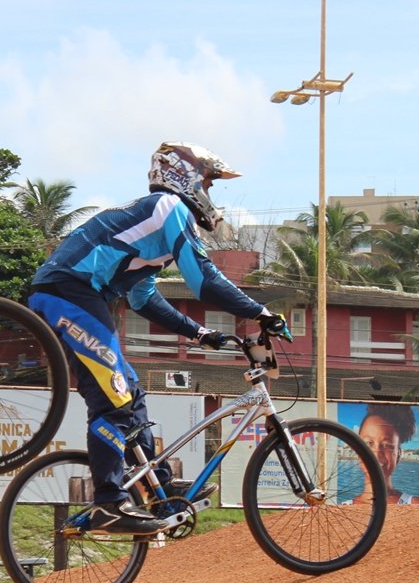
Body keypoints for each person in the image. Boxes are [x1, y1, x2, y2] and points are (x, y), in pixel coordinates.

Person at [28, 141, 288, 535]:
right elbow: (204, 281)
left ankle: (158, 486)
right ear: (185, 177)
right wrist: (261, 313)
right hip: (68, 292)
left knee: (131, 393)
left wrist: (200, 333)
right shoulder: (169, 209)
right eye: (209, 182)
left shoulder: (155, 232)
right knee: (114, 398)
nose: (209, 192)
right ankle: (108, 504)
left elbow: (143, 298)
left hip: (79, 297)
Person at [353, 404, 419, 504]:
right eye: (369, 443)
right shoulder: (342, 509)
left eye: (387, 445)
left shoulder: (414, 505)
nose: (376, 455)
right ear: (357, 451)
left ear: (399, 455)